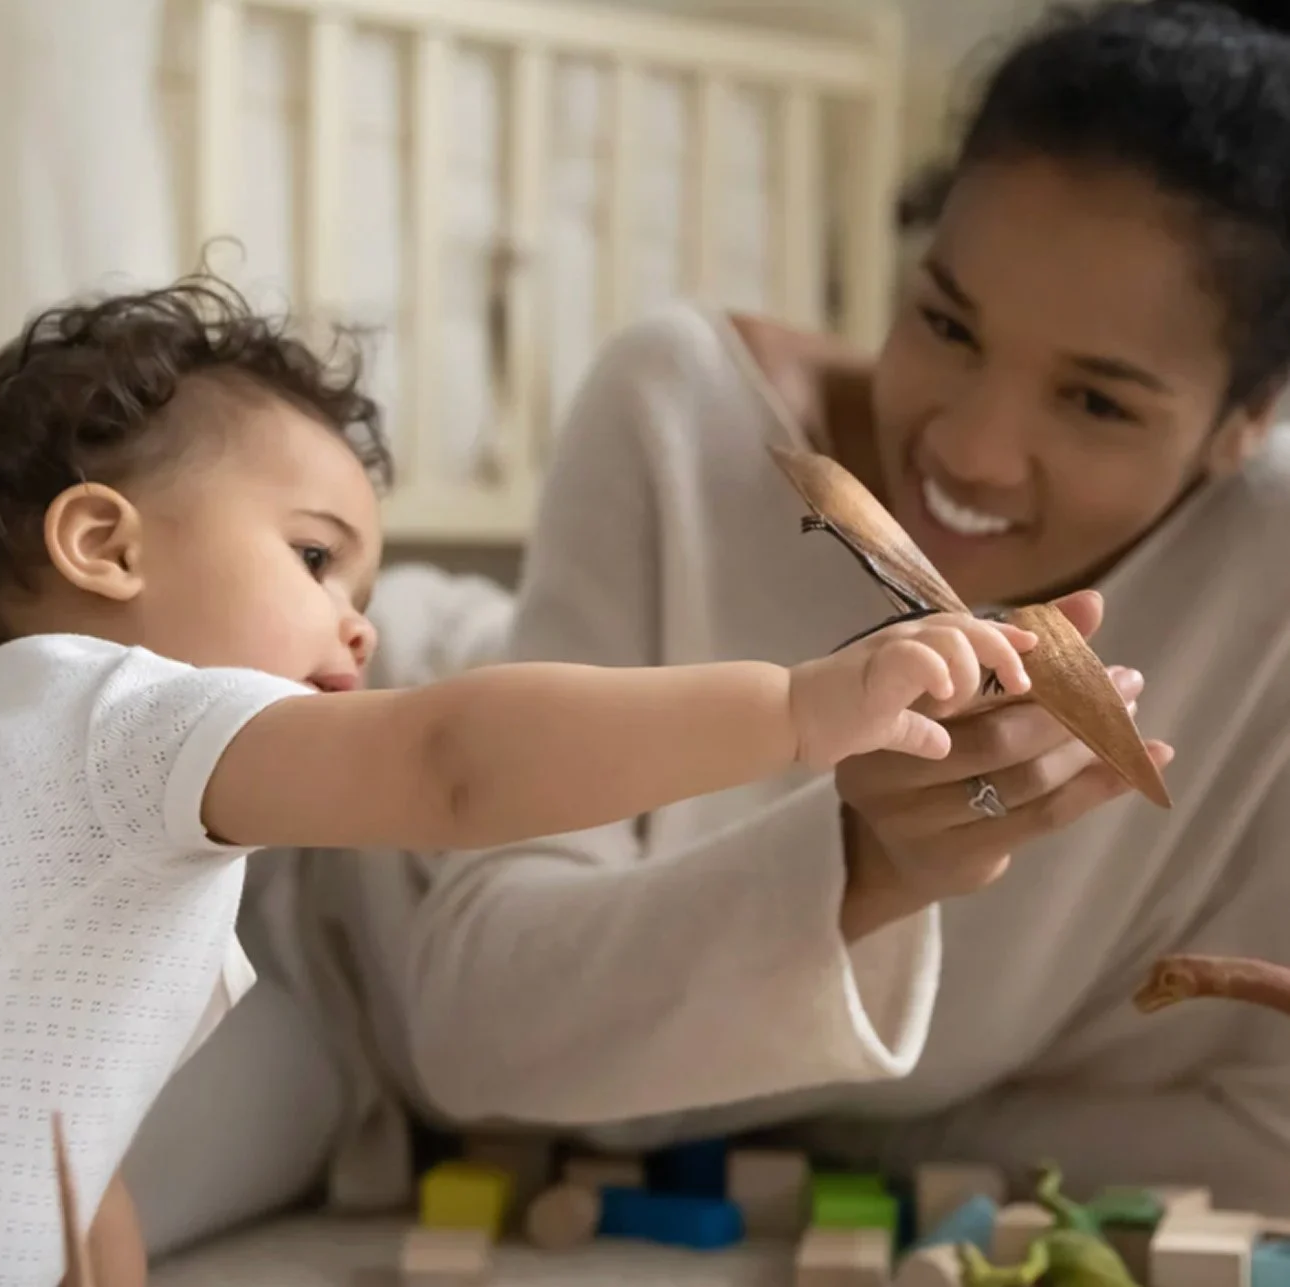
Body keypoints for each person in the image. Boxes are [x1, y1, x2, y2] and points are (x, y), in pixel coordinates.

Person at [393, 0, 1290, 1216]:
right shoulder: (684, 415)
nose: (970, 451)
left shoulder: (1263, 573)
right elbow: (472, 1039)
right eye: (945, 322)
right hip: (333, 853)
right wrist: (861, 868)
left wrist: (831, 1108)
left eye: (1096, 404)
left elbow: (1263, 1136)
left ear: (1252, 421)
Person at [0, 279, 1037, 1287]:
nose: (361, 627)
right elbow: (452, 766)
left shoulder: (40, 746)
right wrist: (798, 710)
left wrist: (89, 1183)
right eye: (312, 557)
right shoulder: (128, 720)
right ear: (105, 544)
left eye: (363, 587)